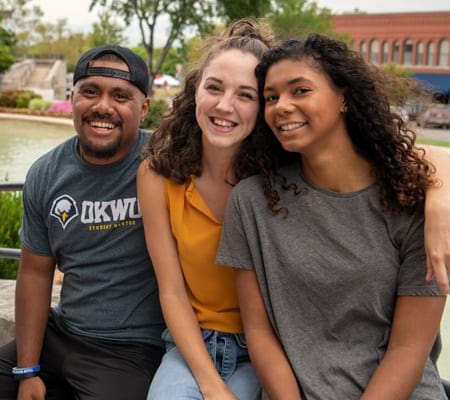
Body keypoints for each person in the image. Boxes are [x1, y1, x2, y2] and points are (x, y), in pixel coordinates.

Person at [217, 34, 449, 399]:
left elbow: (409, 349)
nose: (281, 106)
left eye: (300, 90)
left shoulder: (413, 203)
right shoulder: (253, 201)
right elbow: (259, 331)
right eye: (271, 97)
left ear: (343, 97)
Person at [0, 44, 165, 400]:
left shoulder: (166, 161)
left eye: (121, 96)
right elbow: (34, 272)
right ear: (71, 97)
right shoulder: (46, 173)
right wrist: (27, 369)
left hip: (131, 348)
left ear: (144, 108)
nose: (102, 106)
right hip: (61, 333)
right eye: (89, 91)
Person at [137, 19, 274, 399]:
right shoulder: (156, 175)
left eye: (246, 95)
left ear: (264, 107)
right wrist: (212, 386)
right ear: (195, 90)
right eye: (214, 87)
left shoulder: (283, 178)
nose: (224, 105)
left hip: (267, 350)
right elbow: (172, 292)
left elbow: (408, 155)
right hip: (191, 345)